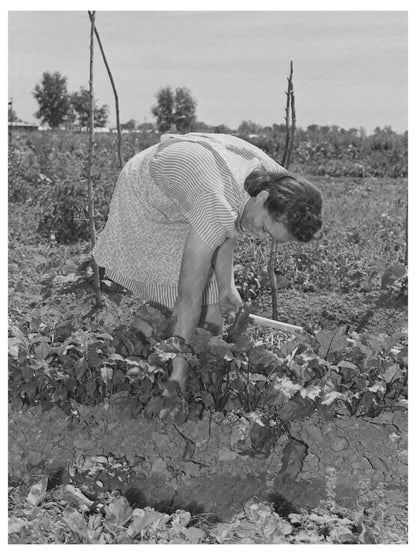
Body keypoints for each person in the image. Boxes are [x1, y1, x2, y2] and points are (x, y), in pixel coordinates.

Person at [93, 132, 323, 391]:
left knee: (212, 306)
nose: (260, 236)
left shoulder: (278, 181)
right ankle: (123, 362)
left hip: (200, 185)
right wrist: (176, 378)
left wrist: (227, 285)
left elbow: (230, 214)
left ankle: (197, 372)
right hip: (148, 192)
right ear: (262, 198)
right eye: (265, 228)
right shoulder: (214, 205)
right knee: (172, 296)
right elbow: (188, 298)